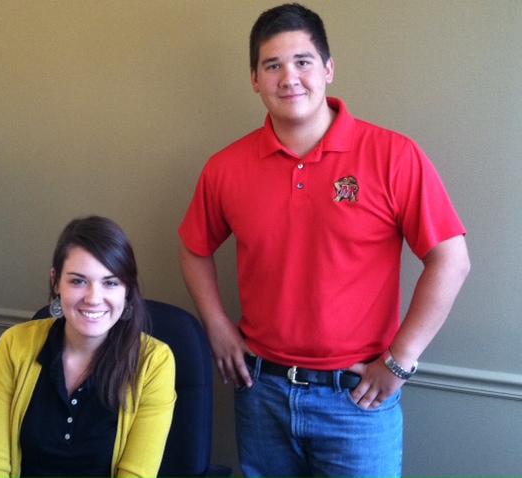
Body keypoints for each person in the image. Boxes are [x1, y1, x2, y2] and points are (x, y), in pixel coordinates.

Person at [179, 4, 470, 477]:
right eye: (272, 65)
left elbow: (451, 260)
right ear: (254, 79)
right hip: (261, 392)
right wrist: (215, 324)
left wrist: (400, 362)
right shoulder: (225, 168)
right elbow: (194, 247)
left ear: (329, 69)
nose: (289, 78)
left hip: (357, 400)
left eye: (303, 61)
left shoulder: (394, 156)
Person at [0, 215, 176, 478]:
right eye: (78, 281)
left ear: (127, 289)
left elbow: (136, 474)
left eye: (110, 282)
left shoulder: (154, 362)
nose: (94, 298)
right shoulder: (14, 345)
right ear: (56, 281)